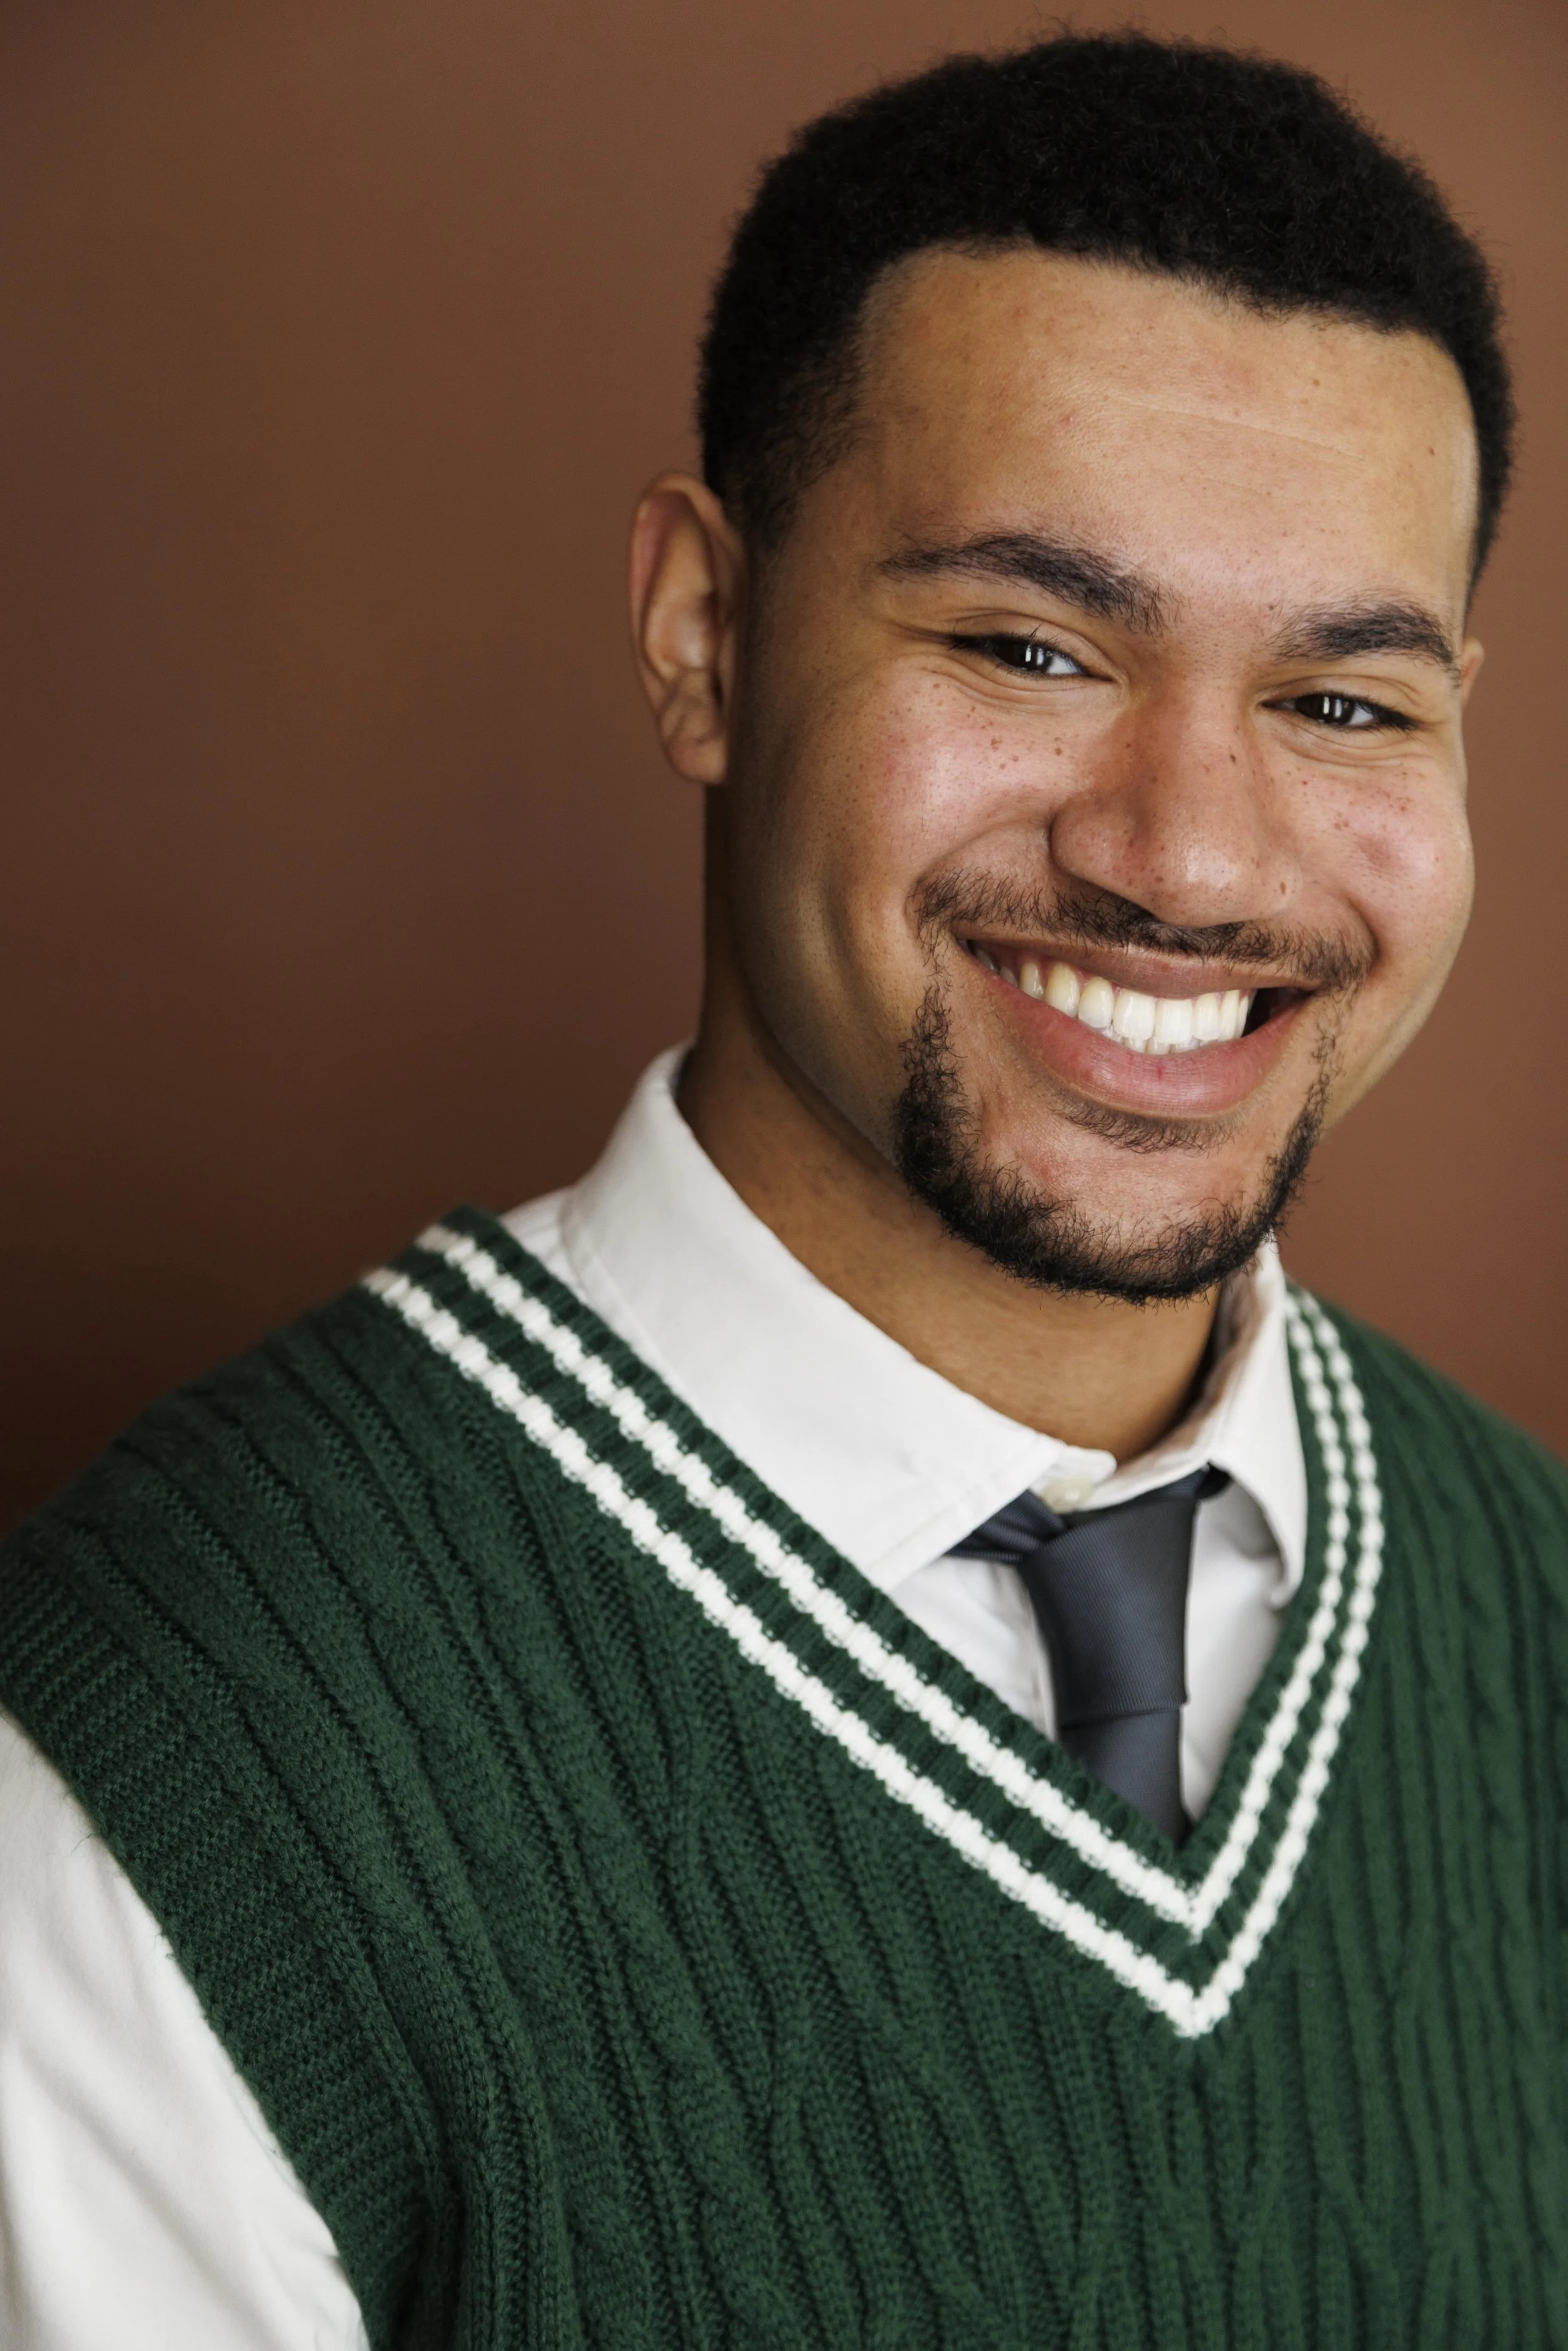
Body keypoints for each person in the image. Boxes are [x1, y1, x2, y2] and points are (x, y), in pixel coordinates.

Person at [1, 29, 1561, 2349]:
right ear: (701, 632)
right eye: (1030, 646)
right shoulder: (180, 1743)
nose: (1192, 853)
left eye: (1343, 701)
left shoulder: (1528, 1607)